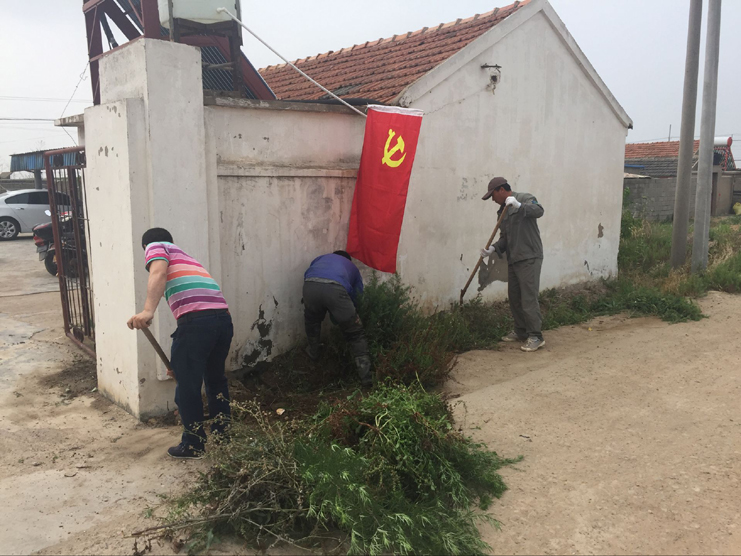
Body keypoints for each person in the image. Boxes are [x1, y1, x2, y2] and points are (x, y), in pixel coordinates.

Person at [127, 228, 233, 459]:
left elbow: (158, 272)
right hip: (223, 321)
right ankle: (224, 436)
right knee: (215, 380)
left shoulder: (156, 246)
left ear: (145, 247)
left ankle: (193, 445)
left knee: (187, 386)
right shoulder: (186, 257)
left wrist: (147, 311)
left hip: (197, 323)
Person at [480, 177, 546, 352]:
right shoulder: (502, 211)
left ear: (501, 190)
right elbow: (505, 238)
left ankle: (536, 336)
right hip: (514, 259)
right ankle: (521, 331)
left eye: (493, 195)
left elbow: (539, 210)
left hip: (529, 257)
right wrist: (493, 248)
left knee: (528, 297)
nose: (492, 200)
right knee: (515, 297)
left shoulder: (524, 198)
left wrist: (519, 206)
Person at [303, 250, 373, 386]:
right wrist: (348, 316)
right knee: (355, 333)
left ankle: (313, 352)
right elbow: (357, 296)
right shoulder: (352, 267)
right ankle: (366, 377)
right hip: (335, 289)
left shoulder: (320, 258)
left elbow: (309, 275)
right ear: (347, 260)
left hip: (310, 286)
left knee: (312, 321)